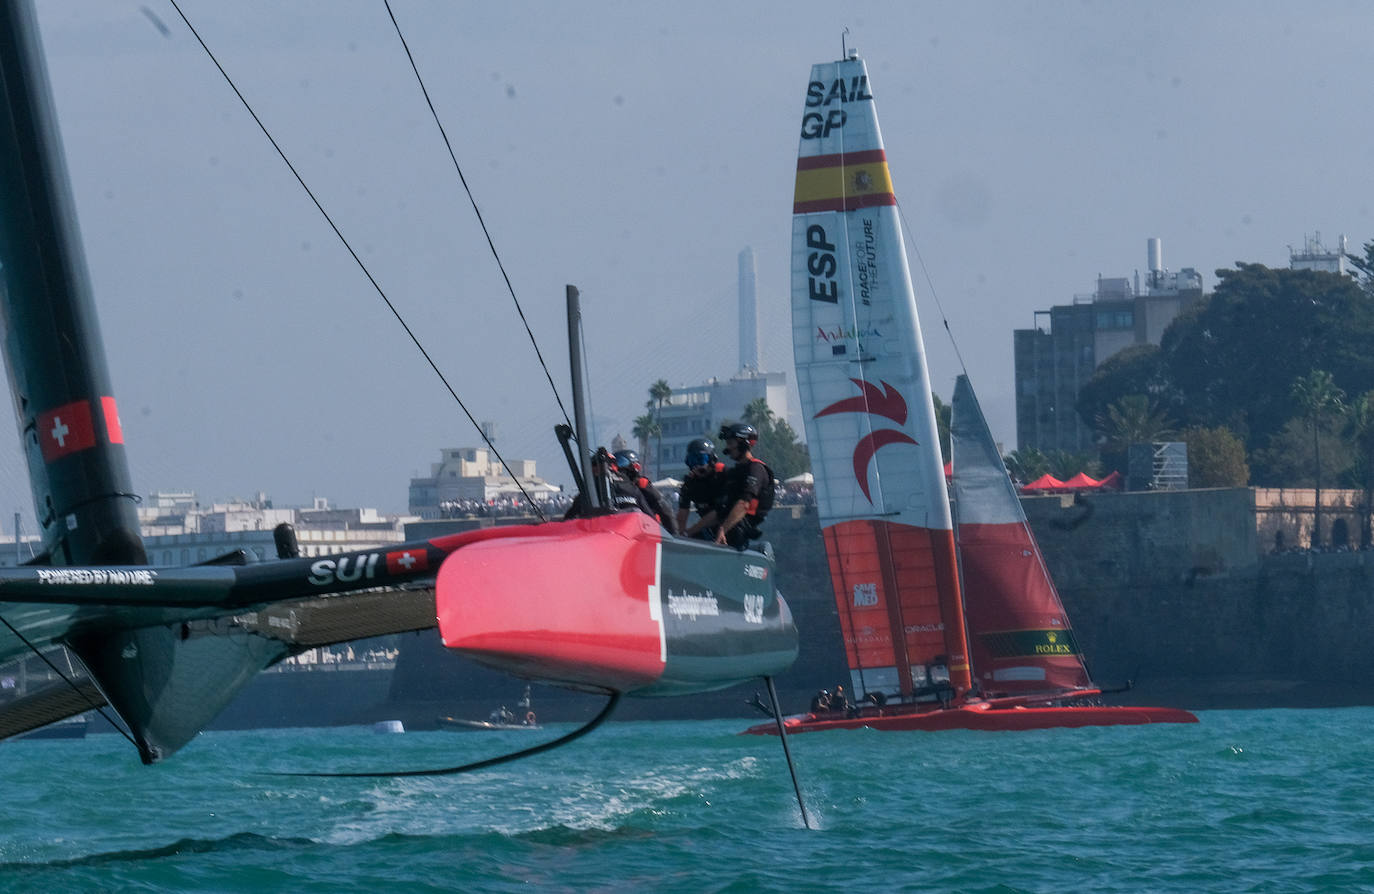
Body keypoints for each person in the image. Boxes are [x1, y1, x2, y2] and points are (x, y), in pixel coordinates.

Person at [711, 422, 774, 550]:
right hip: (726, 521)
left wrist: (723, 530)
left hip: (740, 529)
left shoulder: (756, 469)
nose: (728, 449)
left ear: (743, 443)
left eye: (730, 443)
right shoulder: (735, 471)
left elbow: (744, 504)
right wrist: (687, 532)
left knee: (731, 534)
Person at [612, 449, 679, 536]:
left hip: (648, 530)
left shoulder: (642, 485)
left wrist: (674, 535)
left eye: (621, 462)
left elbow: (665, 510)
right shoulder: (611, 485)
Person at [677, 437, 727, 540]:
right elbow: (683, 512)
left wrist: (689, 532)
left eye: (701, 460)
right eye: (692, 461)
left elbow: (719, 512)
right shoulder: (690, 483)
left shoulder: (723, 477)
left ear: (712, 460)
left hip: (728, 525)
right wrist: (679, 535)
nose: (696, 466)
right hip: (707, 528)